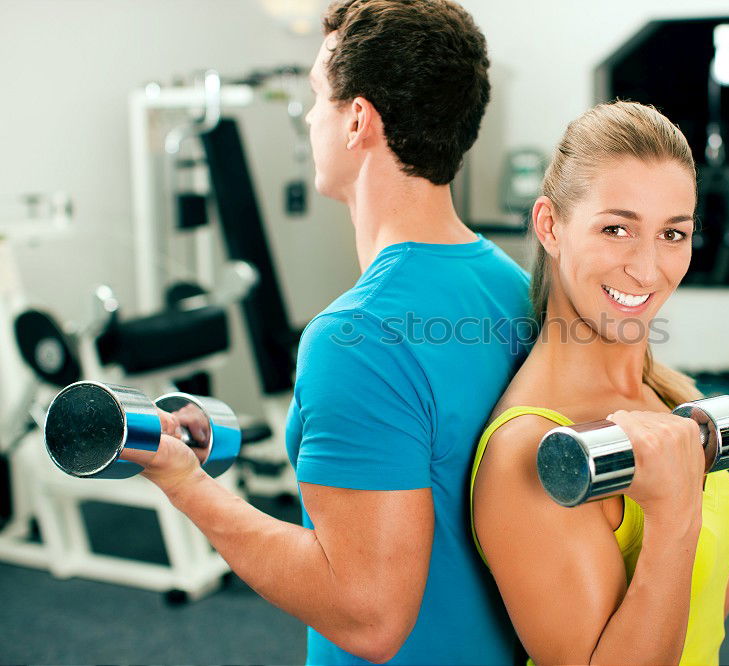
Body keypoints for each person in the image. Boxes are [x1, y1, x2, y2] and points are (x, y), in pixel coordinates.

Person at [125, 1, 531, 663]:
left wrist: (184, 485)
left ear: (358, 120)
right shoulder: (513, 287)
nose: (313, 117)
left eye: (318, 96)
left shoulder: (356, 337)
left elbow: (367, 616)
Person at [469, 101, 729, 665]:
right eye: (616, 228)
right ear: (550, 226)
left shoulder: (676, 396)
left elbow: (705, 603)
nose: (648, 269)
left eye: (672, 234)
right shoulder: (533, 454)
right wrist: (673, 513)